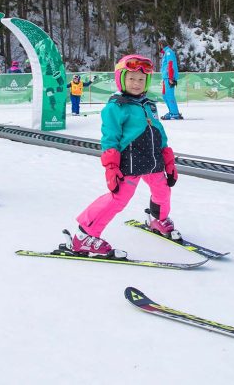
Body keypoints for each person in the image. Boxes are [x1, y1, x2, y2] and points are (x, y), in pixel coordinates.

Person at [69, 54, 179, 257]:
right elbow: (109, 139)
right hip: (129, 163)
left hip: (153, 161)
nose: (136, 84)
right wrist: (111, 168)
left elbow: (160, 133)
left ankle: (157, 219)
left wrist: (169, 161)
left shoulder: (149, 105)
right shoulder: (115, 107)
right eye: (131, 79)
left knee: (162, 191)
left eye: (141, 79)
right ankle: (84, 236)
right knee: (118, 199)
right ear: (121, 79)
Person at [159, 42, 182, 120]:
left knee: (169, 95)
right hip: (166, 77)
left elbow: (170, 64)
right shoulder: (166, 53)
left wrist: (171, 77)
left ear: (161, 45)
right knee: (165, 95)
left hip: (169, 77)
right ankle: (171, 111)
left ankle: (175, 113)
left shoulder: (169, 52)